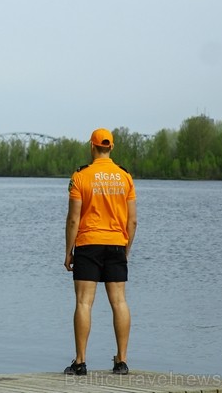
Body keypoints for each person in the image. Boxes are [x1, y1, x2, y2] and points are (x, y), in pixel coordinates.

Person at [63, 128, 138, 376]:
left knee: (84, 302)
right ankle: (122, 361)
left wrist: (68, 251)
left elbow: (74, 219)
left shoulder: (81, 176)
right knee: (119, 301)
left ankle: (81, 361)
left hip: (88, 243)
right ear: (111, 147)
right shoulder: (125, 177)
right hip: (117, 243)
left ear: (92, 147)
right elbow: (133, 221)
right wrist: (125, 249)